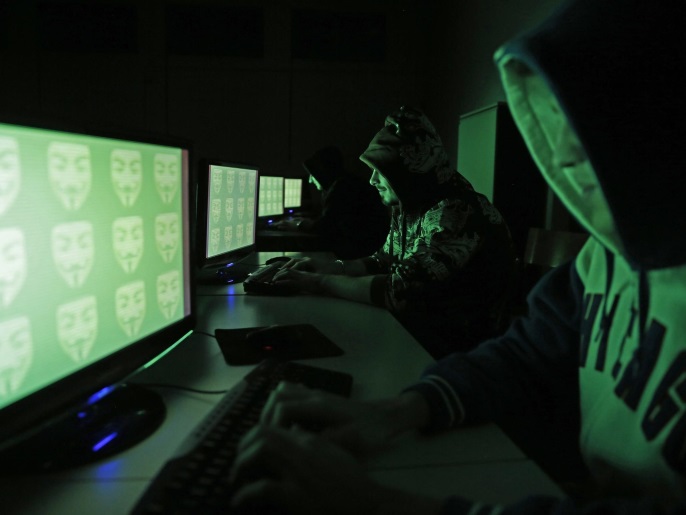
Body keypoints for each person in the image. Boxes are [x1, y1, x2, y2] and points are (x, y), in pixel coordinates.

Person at [228, 0, 686, 513]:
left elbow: (402, 290)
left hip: (450, 347)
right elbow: (525, 353)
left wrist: (379, 505)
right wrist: (400, 410)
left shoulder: (454, 213)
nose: (564, 156)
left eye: (587, 128)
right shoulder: (605, 257)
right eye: (556, 127)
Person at [273, 108, 517, 358]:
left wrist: (318, 283)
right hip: (427, 332)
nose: (372, 181)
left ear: (407, 172)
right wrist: (330, 267)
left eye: (381, 171)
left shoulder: (454, 211)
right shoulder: (411, 204)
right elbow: (384, 260)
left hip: (466, 350)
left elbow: (399, 293)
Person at [272, 145, 389, 260]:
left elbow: (327, 227)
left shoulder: (343, 188)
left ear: (322, 171)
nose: (310, 180)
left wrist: (297, 225)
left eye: (312, 175)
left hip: (358, 256)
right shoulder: (348, 183)